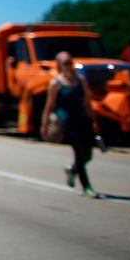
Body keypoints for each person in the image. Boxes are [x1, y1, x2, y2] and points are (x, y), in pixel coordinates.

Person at [41, 51, 100, 198]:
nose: (68, 64)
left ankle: (72, 170)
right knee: (79, 152)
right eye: (65, 62)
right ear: (59, 65)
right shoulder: (55, 83)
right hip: (66, 121)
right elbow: (50, 105)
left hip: (82, 119)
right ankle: (87, 186)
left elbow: (87, 103)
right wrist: (44, 124)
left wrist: (94, 121)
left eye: (69, 61)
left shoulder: (81, 81)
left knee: (88, 154)